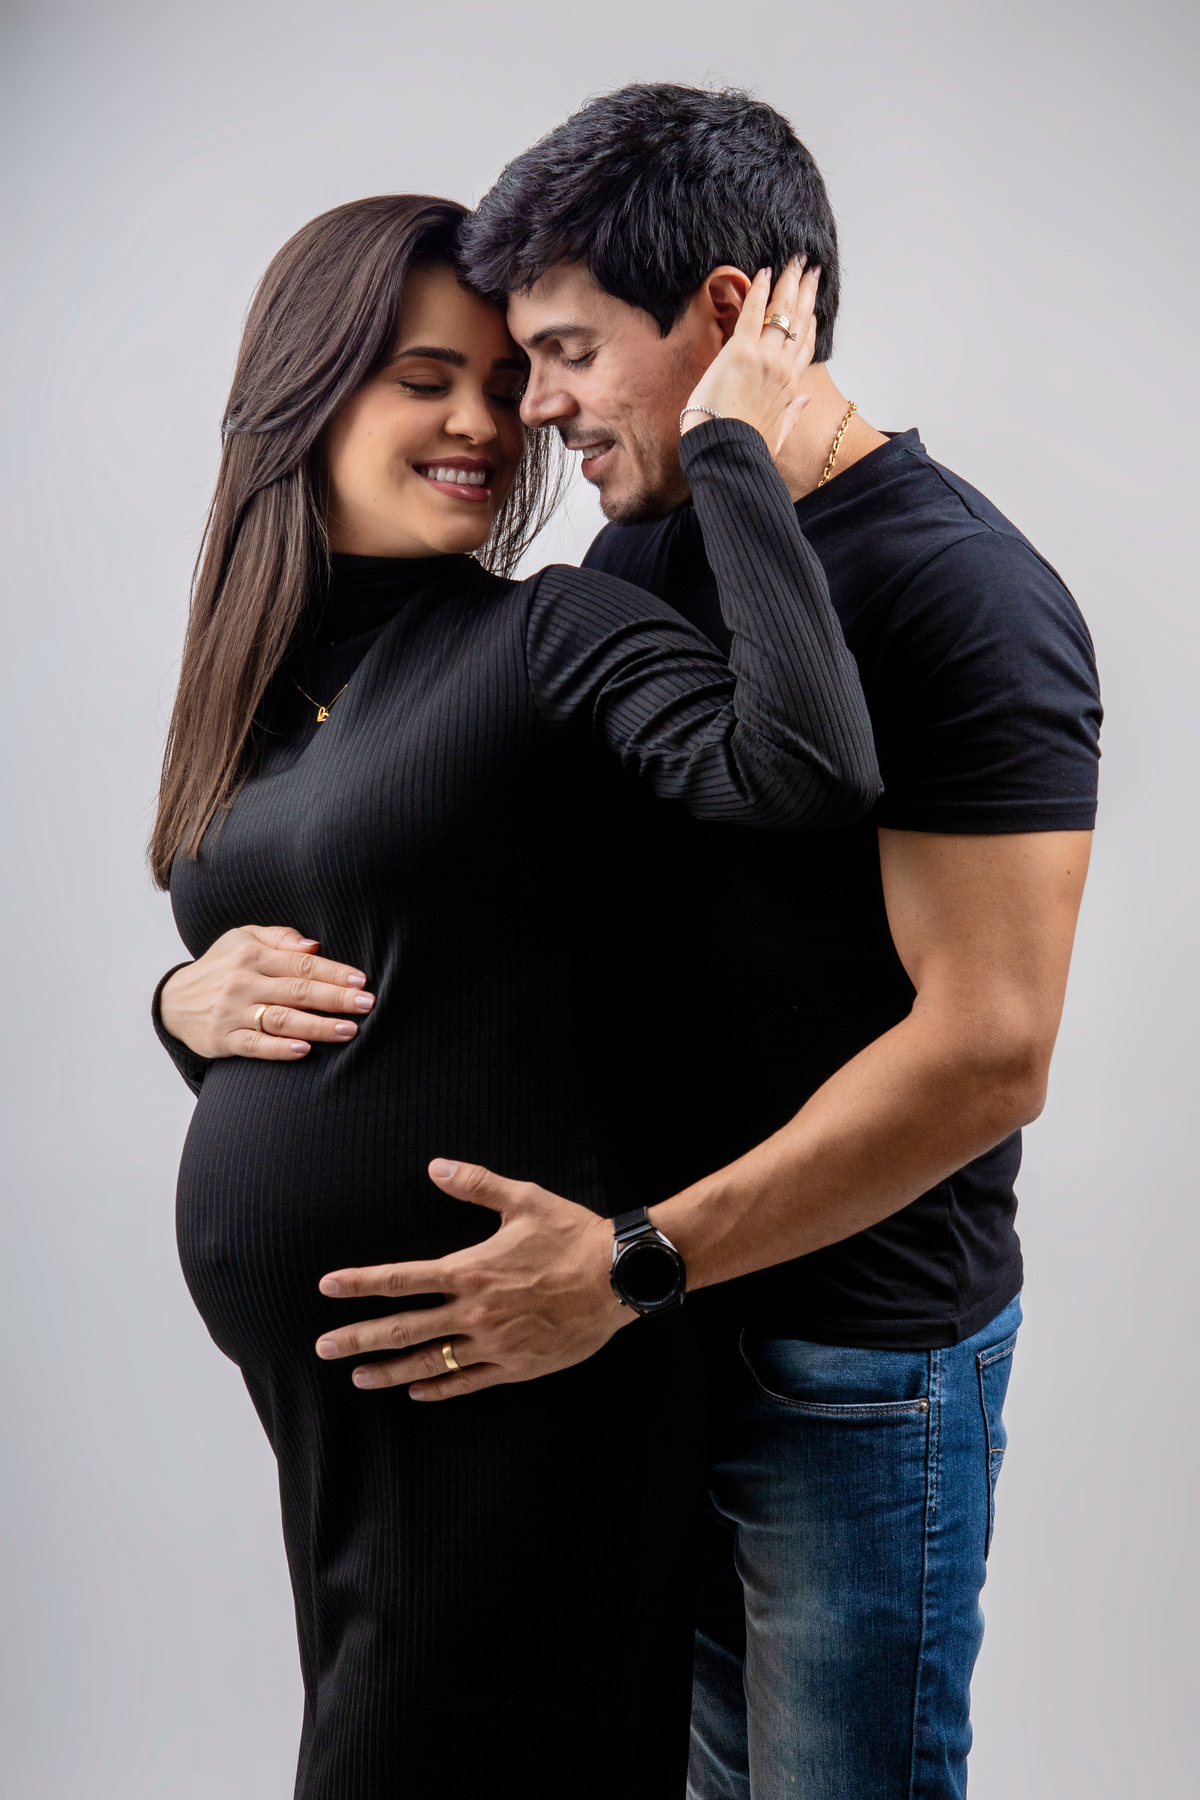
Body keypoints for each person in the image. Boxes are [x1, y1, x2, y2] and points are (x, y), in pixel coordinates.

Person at [317, 89, 1104, 1800]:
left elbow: (988, 1049)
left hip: (845, 1368)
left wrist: (631, 1264)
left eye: (571, 352)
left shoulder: (962, 592)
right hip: (651, 1339)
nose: (538, 409)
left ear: (737, 314)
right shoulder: (653, 544)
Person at [148, 191, 880, 1799]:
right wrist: (176, 1008)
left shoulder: (559, 628)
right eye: (427, 378)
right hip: (363, 1415)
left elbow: (808, 768)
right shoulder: (270, 693)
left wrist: (735, 448)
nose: (487, 421)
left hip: (519, 1369)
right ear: (308, 387)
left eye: (500, 382)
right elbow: (333, 957)